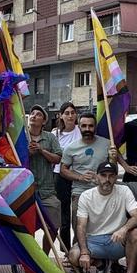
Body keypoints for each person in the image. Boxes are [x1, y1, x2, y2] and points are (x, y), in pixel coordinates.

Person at [71, 161, 137, 273]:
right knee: (74, 256)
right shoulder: (86, 196)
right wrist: (85, 252)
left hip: (116, 240)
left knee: (133, 232)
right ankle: (101, 264)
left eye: (111, 176)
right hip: (94, 240)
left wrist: (124, 229)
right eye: (103, 175)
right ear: (97, 176)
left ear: (116, 177)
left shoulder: (124, 191)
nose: (107, 179)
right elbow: (80, 226)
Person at [59, 112, 115, 213]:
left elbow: (113, 170)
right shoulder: (70, 147)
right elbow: (63, 170)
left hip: (102, 191)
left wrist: (113, 159)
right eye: (84, 126)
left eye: (91, 126)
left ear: (95, 127)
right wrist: (80, 177)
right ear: (79, 127)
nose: (87, 129)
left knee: (102, 227)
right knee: (79, 226)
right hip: (80, 192)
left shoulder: (107, 144)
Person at [25, 106, 62, 242]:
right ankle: (32, 259)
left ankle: (45, 258)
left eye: (38, 114)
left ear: (44, 121)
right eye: (32, 113)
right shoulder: (21, 136)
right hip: (25, 191)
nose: (34, 116)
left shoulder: (50, 137)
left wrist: (41, 151)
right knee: (27, 228)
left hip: (47, 191)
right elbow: (13, 160)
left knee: (52, 226)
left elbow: (58, 158)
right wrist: (27, 154)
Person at [53, 102, 79, 247]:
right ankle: (66, 250)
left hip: (77, 176)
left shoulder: (81, 131)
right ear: (61, 116)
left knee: (78, 215)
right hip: (60, 176)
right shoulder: (55, 134)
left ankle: (78, 246)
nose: (70, 116)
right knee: (64, 216)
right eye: (67, 113)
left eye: (72, 112)